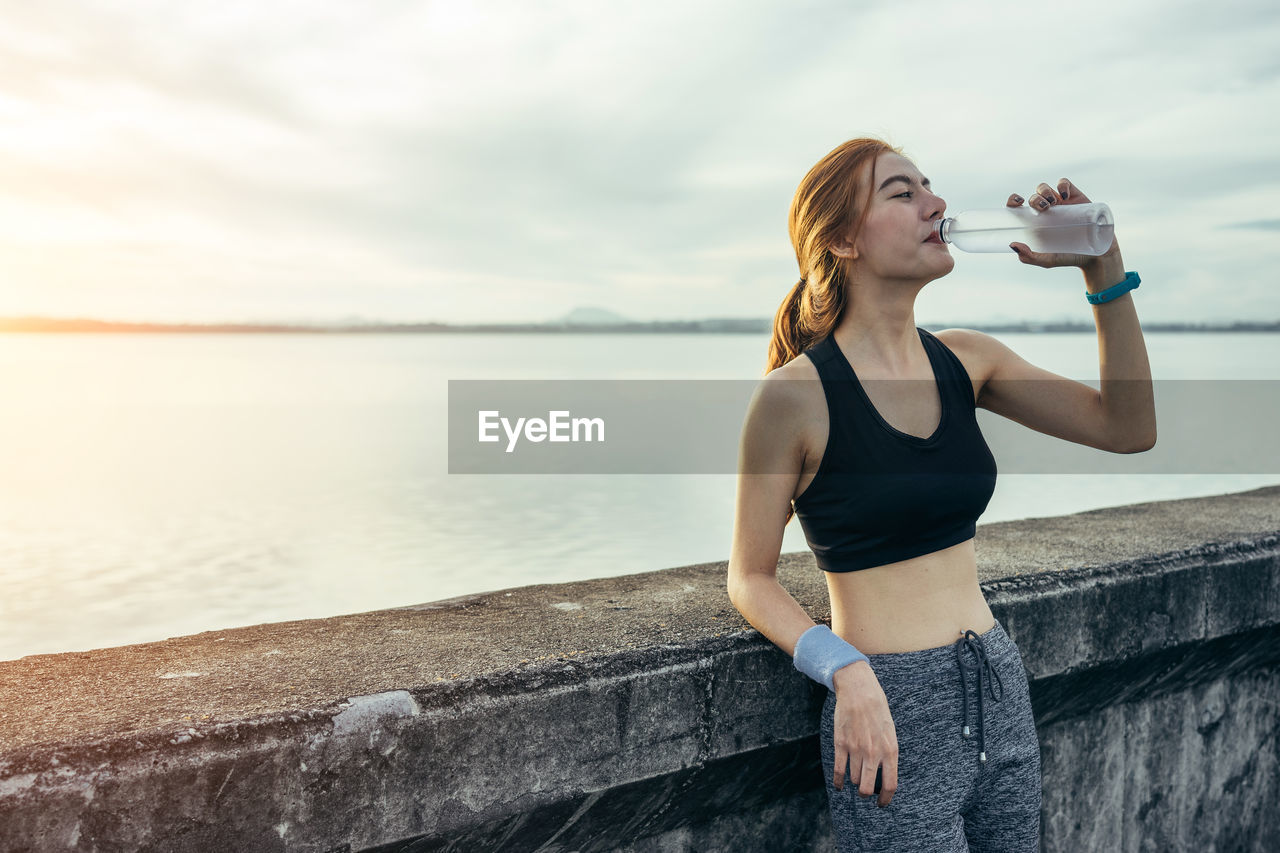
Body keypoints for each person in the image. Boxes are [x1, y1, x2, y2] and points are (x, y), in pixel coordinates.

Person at [726, 137, 1156, 852]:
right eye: (902, 192)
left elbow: (1128, 426)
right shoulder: (793, 397)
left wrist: (1101, 264)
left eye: (930, 185)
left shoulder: (967, 360)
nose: (937, 203)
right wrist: (845, 669)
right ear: (841, 240)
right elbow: (749, 576)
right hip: (886, 713)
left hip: (997, 685)